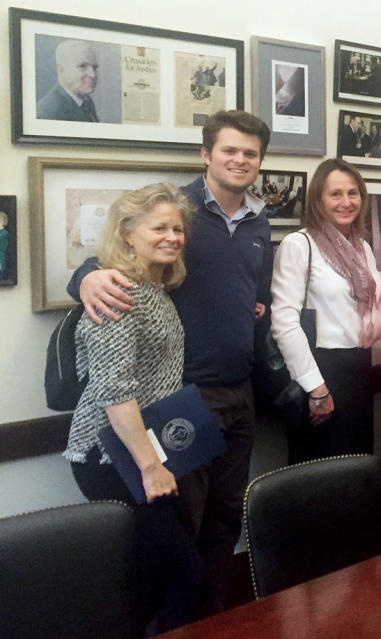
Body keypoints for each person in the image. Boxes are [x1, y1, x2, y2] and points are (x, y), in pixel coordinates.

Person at [67, 110, 272, 615]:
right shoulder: (176, 211)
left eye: (250, 153)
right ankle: (179, 621)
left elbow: (249, 289)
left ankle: (213, 618)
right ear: (206, 155)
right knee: (183, 529)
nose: (240, 160)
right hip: (182, 402)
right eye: (230, 150)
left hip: (240, 392)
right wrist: (86, 279)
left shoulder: (259, 219)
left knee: (226, 520)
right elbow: (109, 265)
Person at [63, 183, 203, 632]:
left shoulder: (155, 290)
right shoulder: (118, 292)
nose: (172, 237)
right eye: (158, 227)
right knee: (185, 578)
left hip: (147, 447)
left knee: (155, 576)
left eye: (177, 228)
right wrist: (149, 466)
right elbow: (113, 390)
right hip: (111, 455)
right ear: (127, 234)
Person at [271, 159, 381, 463]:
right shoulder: (299, 245)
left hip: (360, 368)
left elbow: (363, 309)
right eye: (335, 194)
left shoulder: (360, 246)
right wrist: (317, 390)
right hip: (321, 372)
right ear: (318, 200)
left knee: (357, 468)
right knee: (321, 478)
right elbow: (285, 323)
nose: (346, 202)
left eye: (353, 193)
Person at [38, 39, 100, 122]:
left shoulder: (87, 101)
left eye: (94, 67)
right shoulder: (46, 112)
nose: (93, 75)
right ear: (61, 70)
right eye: (83, 66)